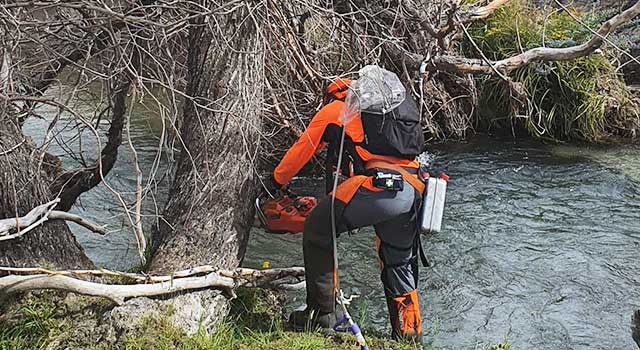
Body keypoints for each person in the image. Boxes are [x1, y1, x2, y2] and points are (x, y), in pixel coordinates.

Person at [267, 78, 425, 343]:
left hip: (379, 188)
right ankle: (409, 337)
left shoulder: (335, 110)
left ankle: (321, 315)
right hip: (412, 190)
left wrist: (274, 183)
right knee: (398, 261)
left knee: (318, 226)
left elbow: (302, 149)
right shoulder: (384, 111)